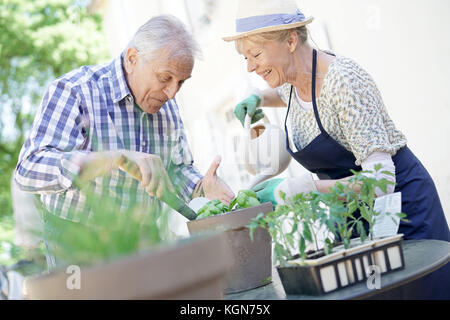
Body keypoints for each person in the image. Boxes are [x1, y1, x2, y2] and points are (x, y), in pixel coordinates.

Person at [223, 0, 449, 298]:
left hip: (402, 208)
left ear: (291, 40)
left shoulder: (344, 81)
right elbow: (286, 93)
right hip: (358, 217)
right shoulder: (291, 79)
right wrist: (257, 97)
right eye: (246, 58)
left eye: (255, 54)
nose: (251, 66)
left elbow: (382, 182)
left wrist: (304, 189)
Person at [14, 15, 235, 267]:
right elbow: (29, 169)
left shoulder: (166, 107)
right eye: (165, 78)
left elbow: (177, 169)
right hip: (77, 244)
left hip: (143, 241)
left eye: (181, 82)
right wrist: (113, 158)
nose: (172, 93)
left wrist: (201, 188)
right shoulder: (76, 91)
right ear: (132, 59)